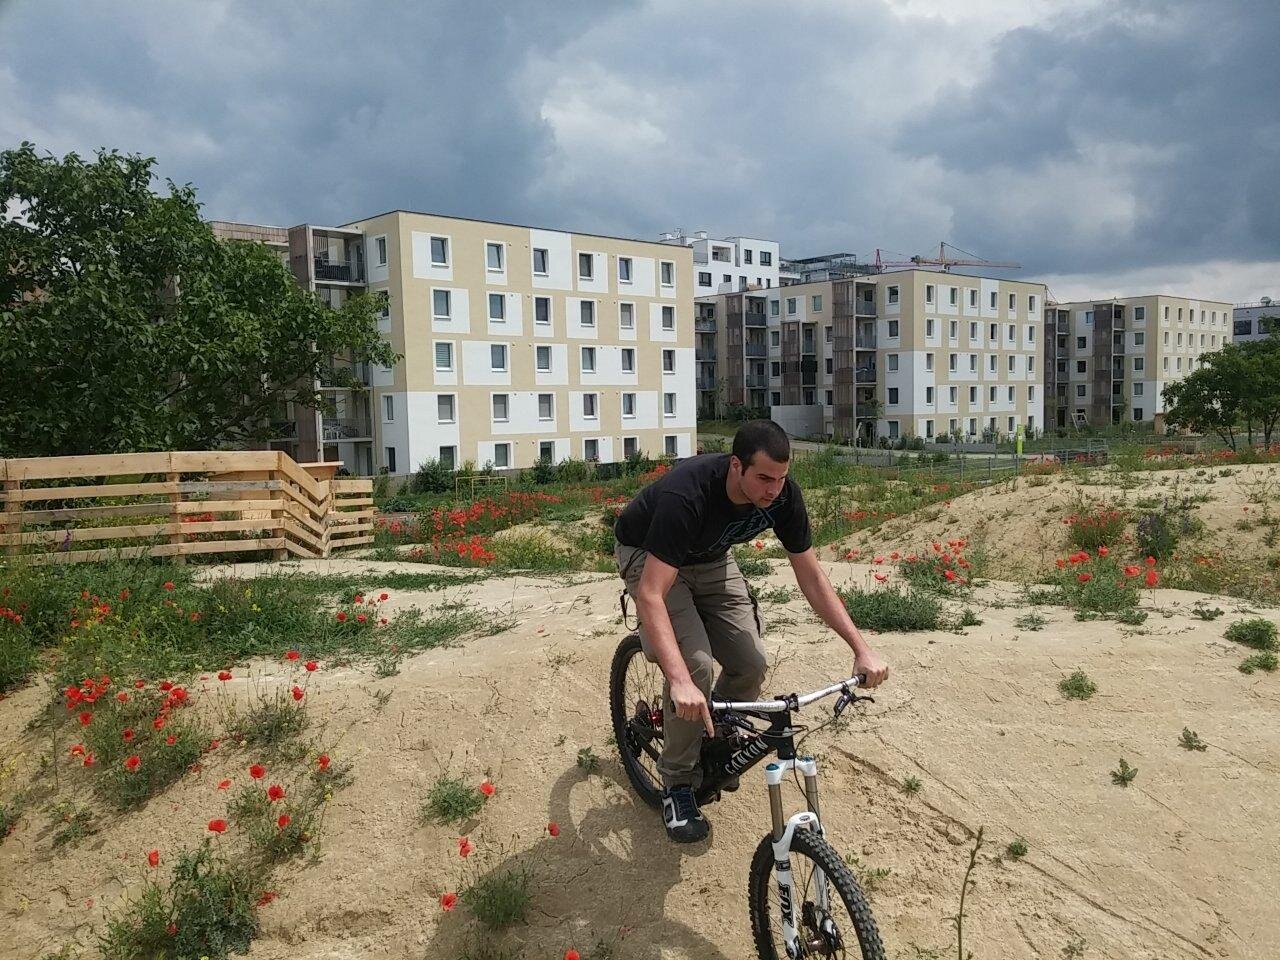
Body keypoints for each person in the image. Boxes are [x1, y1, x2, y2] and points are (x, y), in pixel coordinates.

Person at [614, 420, 889, 843]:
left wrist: (861, 648)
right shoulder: (687, 494)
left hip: (711, 559)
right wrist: (680, 680)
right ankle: (677, 783)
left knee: (751, 662)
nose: (773, 490)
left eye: (781, 478)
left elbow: (812, 578)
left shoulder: (784, 496)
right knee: (695, 666)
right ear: (735, 465)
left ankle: (711, 737)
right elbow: (652, 593)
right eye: (763, 478)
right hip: (649, 554)